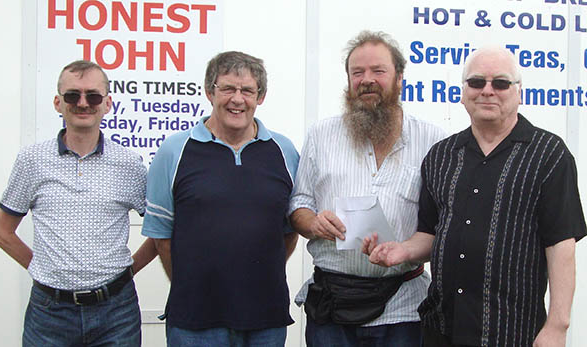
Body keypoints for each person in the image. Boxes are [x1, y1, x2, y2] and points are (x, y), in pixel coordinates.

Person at [362, 46, 587, 347]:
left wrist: (558, 326)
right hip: (442, 330)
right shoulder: (441, 156)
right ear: (463, 92)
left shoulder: (549, 155)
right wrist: (401, 251)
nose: (488, 91)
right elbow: (430, 234)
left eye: (501, 83)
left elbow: (561, 246)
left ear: (519, 92)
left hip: (513, 332)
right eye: (477, 82)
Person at [289, 30, 447, 346]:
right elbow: (299, 204)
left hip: (403, 309)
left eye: (378, 71)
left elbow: (443, 225)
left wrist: (403, 249)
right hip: (331, 310)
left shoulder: (433, 141)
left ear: (400, 78)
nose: (367, 79)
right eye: (357, 72)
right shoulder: (322, 134)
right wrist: (314, 223)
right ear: (348, 80)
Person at [0, 60, 157, 346]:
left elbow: (160, 230)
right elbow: (1, 233)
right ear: (58, 103)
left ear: (107, 104)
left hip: (116, 312)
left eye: (93, 96)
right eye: (72, 95)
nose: (83, 103)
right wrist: (41, 268)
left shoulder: (129, 164)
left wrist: (129, 271)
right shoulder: (32, 161)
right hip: (49, 313)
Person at [142, 51, 299, 346]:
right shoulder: (174, 150)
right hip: (195, 322)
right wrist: (193, 284)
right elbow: (162, 236)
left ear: (260, 97)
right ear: (209, 92)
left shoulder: (284, 151)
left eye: (247, 90)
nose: (237, 99)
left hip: (266, 318)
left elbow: (289, 230)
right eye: (227, 88)